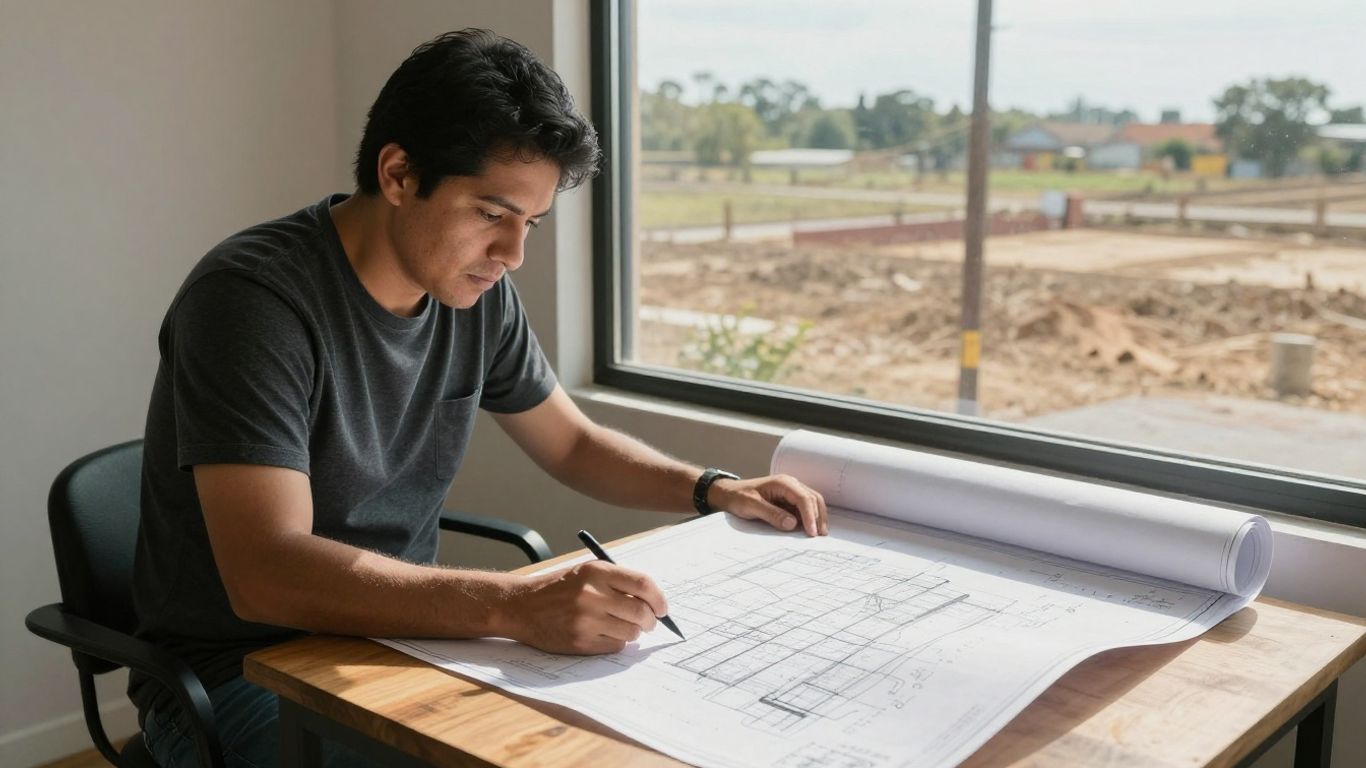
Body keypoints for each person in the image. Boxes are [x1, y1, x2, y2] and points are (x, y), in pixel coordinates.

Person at [130, 28, 828, 767]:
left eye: (529, 223)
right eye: (492, 214)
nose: (513, 255)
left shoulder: (474, 294)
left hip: (398, 643)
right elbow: (267, 575)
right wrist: (513, 606)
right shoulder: (253, 299)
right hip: (236, 675)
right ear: (399, 173)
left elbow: (573, 444)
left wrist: (714, 488)